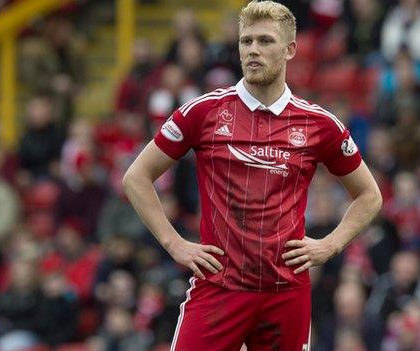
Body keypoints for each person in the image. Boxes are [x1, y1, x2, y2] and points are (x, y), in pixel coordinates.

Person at [122, 1, 382, 350]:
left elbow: (370, 195)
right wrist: (175, 244)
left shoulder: (318, 124)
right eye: (246, 42)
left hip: (285, 293)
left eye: (265, 41)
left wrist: (329, 245)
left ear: (290, 50)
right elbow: (136, 177)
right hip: (219, 288)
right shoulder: (203, 112)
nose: (253, 50)